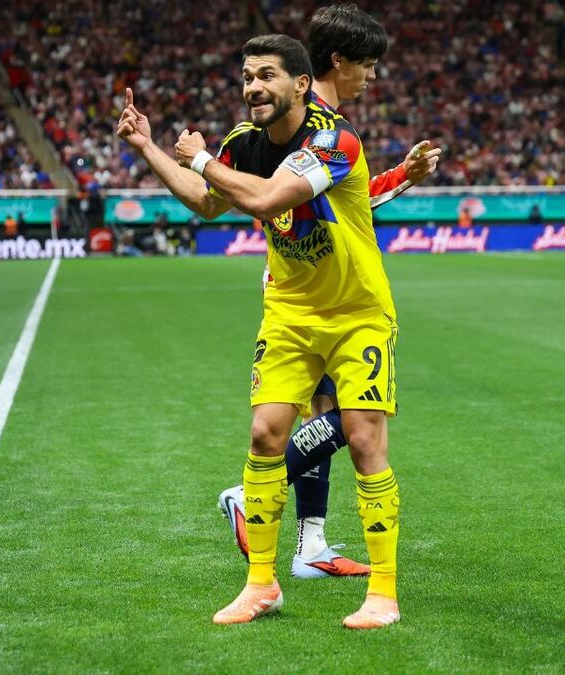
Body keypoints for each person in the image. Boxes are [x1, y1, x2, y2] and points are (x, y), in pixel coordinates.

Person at [119, 34, 404, 629]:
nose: (253, 87)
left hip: (356, 313)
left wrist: (201, 159)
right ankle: (261, 585)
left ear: (301, 83)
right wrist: (148, 147)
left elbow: (270, 198)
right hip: (289, 312)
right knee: (265, 434)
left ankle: (382, 594)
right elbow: (206, 202)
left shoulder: (334, 139)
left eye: (267, 75)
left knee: (362, 438)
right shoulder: (243, 143)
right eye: (248, 76)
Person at [214, 2, 439, 581]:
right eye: (367, 64)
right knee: (346, 417)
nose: (372, 76)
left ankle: (310, 543)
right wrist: (192, 163)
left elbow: (341, 202)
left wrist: (402, 177)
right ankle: (252, 495)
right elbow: (286, 199)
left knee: (326, 411)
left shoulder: (320, 123)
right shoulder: (310, 123)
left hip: (310, 287)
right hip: (312, 293)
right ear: (338, 62)